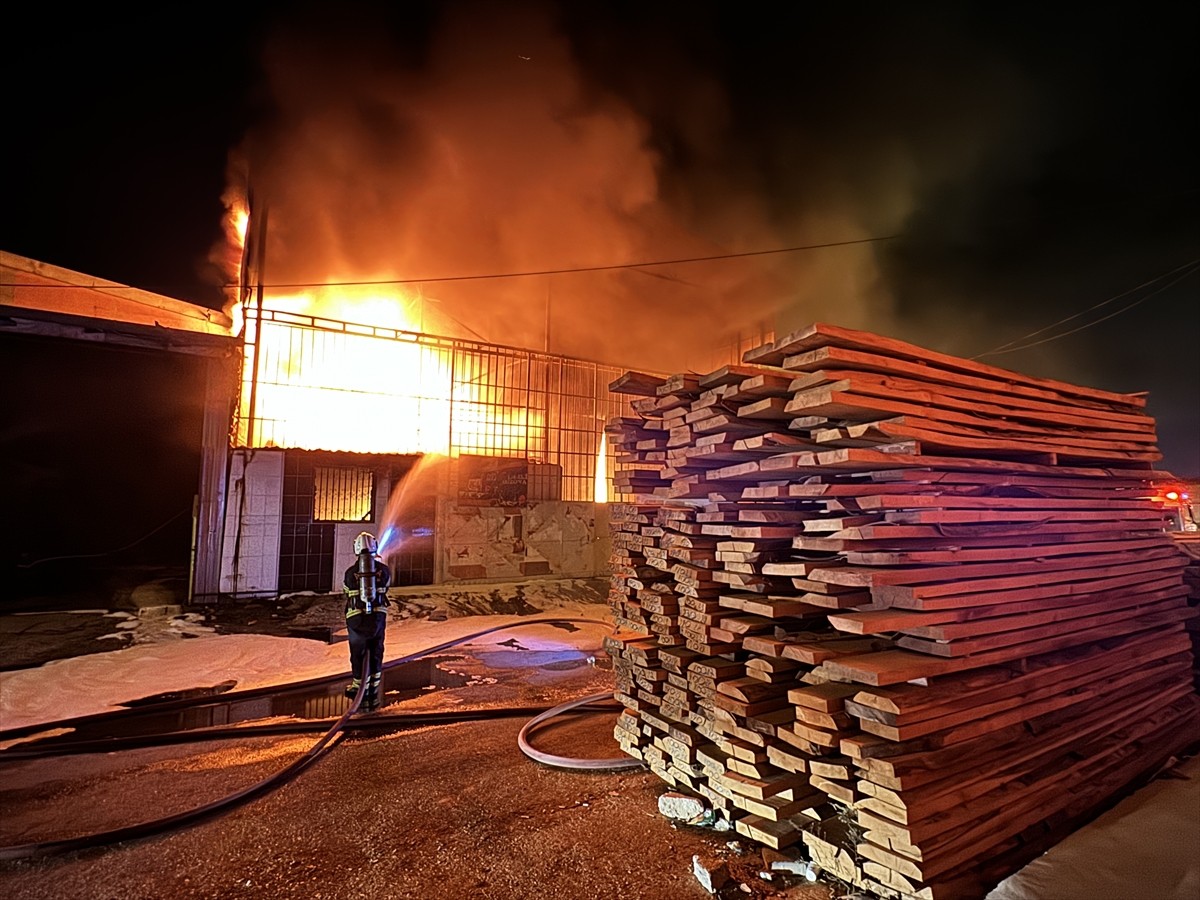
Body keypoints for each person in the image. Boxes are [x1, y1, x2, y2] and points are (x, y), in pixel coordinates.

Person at [342, 531, 391, 712]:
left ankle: (358, 686)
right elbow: (386, 588)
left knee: (358, 653)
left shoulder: (350, 573)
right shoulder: (384, 570)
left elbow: (347, 591)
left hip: (357, 620)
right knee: (376, 651)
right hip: (377, 619)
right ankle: (372, 690)